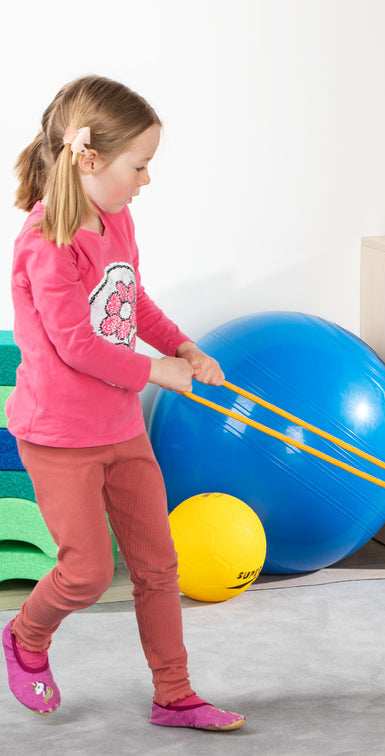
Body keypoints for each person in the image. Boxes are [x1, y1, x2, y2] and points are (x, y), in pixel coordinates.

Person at [2, 75, 245, 731]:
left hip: (119, 427)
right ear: (89, 159)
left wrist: (184, 346)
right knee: (83, 574)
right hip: (58, 436)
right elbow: (78, 345)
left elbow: (129, 300)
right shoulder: (45, 245)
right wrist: (157, 371)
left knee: (158, 566)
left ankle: (176, 695)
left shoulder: (116, 220)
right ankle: (24, 636)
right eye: (139, 166)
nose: (145, 180)